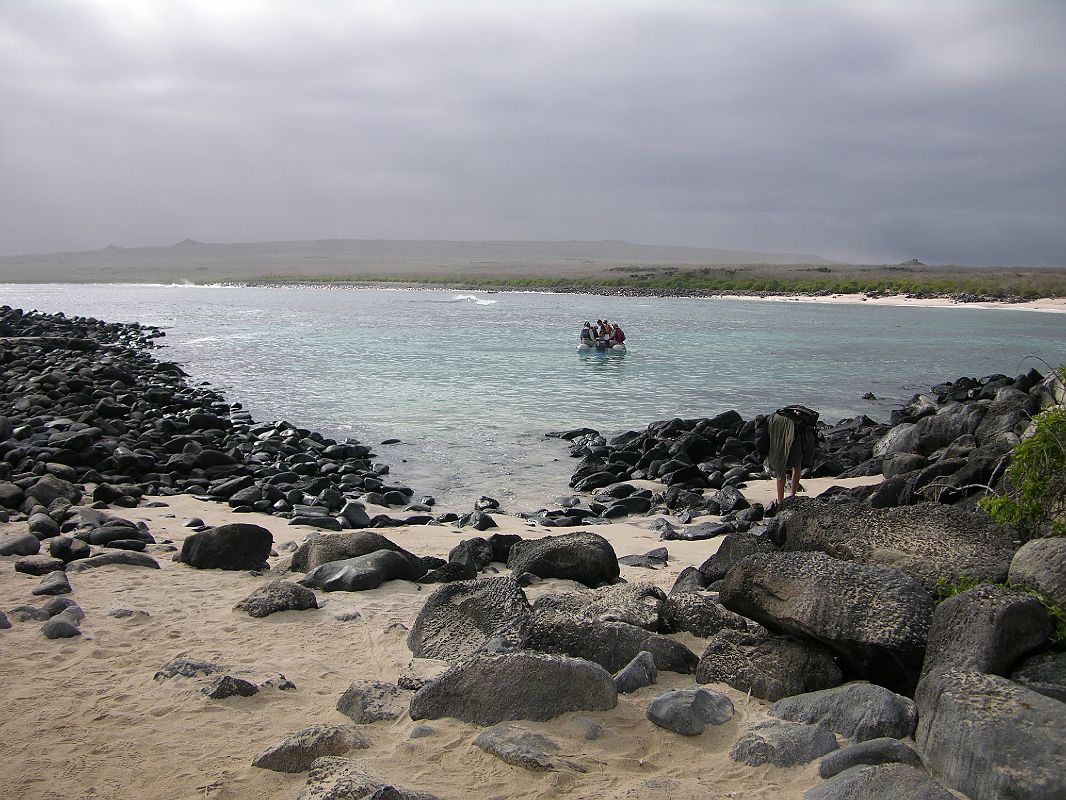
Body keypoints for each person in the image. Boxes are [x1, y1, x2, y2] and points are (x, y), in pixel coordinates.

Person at [765, 405, 819, 504]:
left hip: (792, 437)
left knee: (781, 469)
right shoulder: (793, 419)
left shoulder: (775, 418)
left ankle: (780, 500)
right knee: (796, 466)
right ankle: (792, 495)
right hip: (799, 439)